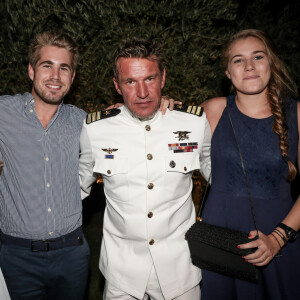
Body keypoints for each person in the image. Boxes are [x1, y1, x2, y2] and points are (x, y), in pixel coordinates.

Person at [79, 37, 211, 300]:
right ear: (117, 86)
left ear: (163, 78)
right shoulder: (96, 129)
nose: (142, 92)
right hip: (122, 274)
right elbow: (76, 189)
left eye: (149, 79)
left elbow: (222, 181)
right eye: (130, 82)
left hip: (179, 271)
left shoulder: (193, 123)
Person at [199, 29, 300, 299]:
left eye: (258, 56)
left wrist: (278, 237)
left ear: (271, 63)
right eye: (238, 60)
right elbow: (162, 134)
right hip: (219, 239)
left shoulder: (297, 114)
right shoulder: (213, 110)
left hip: (279, 237)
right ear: (227, 73)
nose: (250, 66)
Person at [0, 31, 90, 300]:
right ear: (31, 70)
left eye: (64, 68)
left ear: (72, 78)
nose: (55, 76)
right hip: (17, 257)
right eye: (46, 65)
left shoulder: (84, 121)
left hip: (72, 255)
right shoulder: (4, 113)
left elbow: (131, 120)